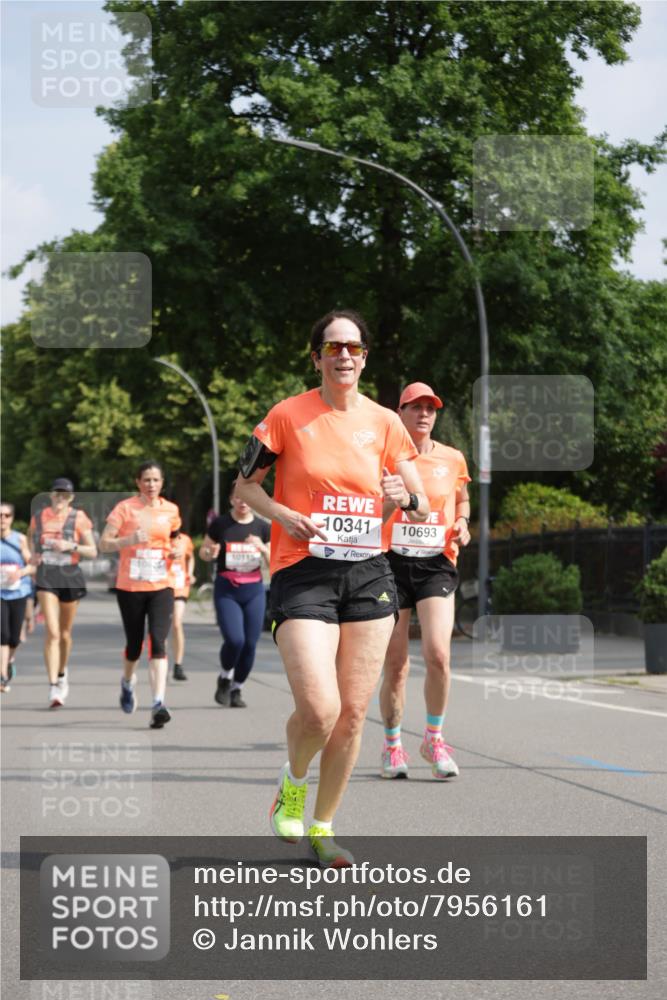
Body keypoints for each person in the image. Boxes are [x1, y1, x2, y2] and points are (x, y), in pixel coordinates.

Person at [236, 309, 429, 867]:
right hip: (303, 569)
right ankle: (292, 786)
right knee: (320, 708)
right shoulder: (287, 416)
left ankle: (323, 826)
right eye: (332, 346)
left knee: (351, 714)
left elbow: (414, 492)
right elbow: (245, 486)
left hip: (368, 572)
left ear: (365, 357)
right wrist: (282, 514)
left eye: (354, 347)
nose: (344, 355)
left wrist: (405, 495)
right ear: (316, 356)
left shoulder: (387, 423)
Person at [379, 383, 471, 780]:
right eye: (414, 407)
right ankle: (393, 746)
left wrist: (463, 523)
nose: (423, 414)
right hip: (391, 563)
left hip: (436, 563)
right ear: (399, 412)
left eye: (430, 408)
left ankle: (433, 739)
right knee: (396, 664)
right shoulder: (384, 458)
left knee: (438, 654)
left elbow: (462, 498)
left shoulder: (452, 458)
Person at [100, 461, 182, 729]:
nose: (151, 485)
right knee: (134, 645)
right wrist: (128, 540)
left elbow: (176, 538)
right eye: (146, 480)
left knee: (158, 642)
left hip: (162, 584)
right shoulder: (125, 508)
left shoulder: (171, 510)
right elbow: (104, 543)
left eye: (156, 480)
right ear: (138, 482)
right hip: (131, 586)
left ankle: (158, 703)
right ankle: (127, 682)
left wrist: (177, 550)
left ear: (162, 483)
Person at [200, 480, 270, 708]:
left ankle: (237, 688)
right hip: (227, 589)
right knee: (235, 640)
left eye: (247, 497)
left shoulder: (262, 527)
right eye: (238, 497)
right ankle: (225, 676)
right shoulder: (221, 524)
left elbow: (275, 563)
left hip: (254, 590)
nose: (243, 502)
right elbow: (204, 553)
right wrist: (210, 552)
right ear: (231, 499)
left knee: (250, 643)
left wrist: (263, 548)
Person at [28, 478, 97, 708]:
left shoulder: (79, 518)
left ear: (71, 497)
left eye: (65, 495)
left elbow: (93, 551)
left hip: (70, 576)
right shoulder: (39, 517)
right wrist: (33, 556)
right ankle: (53, 686)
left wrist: (71, 546)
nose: (61, 498)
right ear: (50, 495)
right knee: (53, 632)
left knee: (65, 634)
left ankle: (61, 672)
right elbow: (30, 539)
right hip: (47, 575)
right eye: (57, 494)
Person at [1, 503, 35, 692]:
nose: (2, 519)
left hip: (18, 592)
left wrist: (20, 573)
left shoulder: (20, 540)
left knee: (14, 638)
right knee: (2, 635)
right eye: (0, 515)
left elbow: (33, 566)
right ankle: (2, 677)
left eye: (6, 515)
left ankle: (8, 660)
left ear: (11, 518)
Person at [170, 532, 195, 681]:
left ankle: (178, 665)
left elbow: (190, 557)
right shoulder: (158, 537)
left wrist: (190, 573)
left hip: (180, 585)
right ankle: (161, 660)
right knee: (162, 627)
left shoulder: (185, 539)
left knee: (177, 624)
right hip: (162, 584)